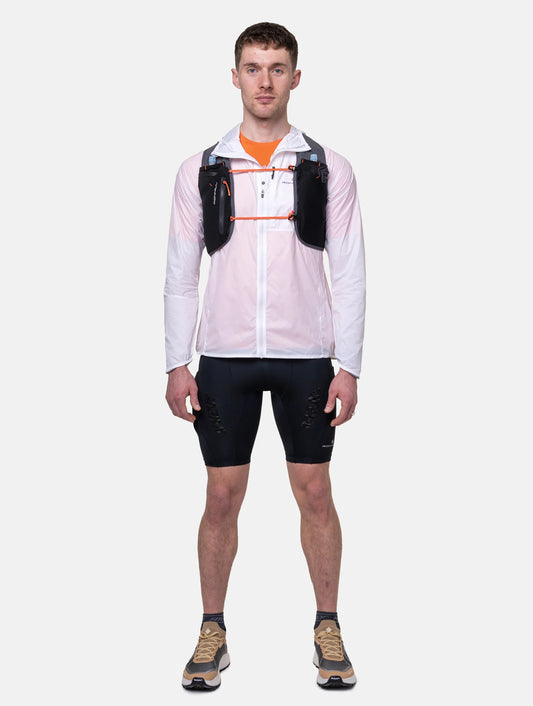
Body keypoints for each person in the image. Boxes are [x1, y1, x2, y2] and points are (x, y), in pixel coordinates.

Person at [164, 22, 365, 691]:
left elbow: (350, 272)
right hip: (224, 358)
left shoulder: (326, 167)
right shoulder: (202, 170)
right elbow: (180, 274)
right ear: (234, 77)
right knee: (221, 495)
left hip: (306, 355)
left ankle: (328, 626)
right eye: (253, 68)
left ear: (295, 78)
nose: (265, 81)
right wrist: (176, 361)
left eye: (277, 68)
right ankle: (212, 629)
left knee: (316, 492)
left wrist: (348, 365)